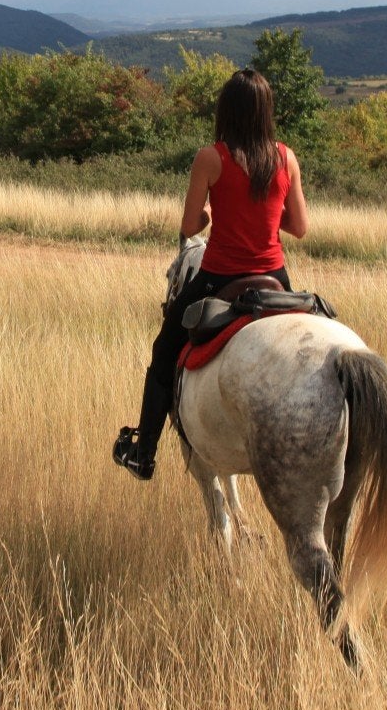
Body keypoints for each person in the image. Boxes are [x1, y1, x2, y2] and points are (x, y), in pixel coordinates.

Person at [113, 68, 309, 480]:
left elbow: (189, 227)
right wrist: (267, 217)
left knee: (165, 350)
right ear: (265, 112)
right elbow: (299, 227)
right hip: (275, 276)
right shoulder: (286, 157)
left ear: (227, 112)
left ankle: (143, 453)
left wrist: (210, 214)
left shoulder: (211, 158)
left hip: (219, 277)